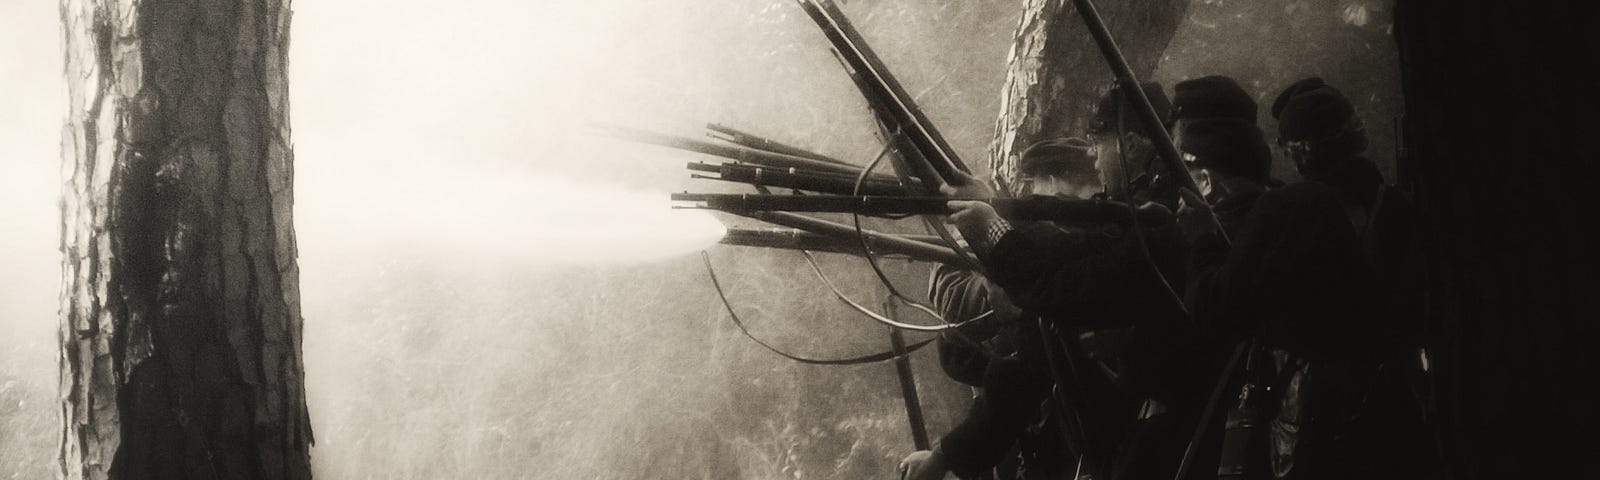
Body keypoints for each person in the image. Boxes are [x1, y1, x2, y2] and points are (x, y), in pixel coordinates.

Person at [917, 82, 1194, 480]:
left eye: (1098, 144)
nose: (1095, 162)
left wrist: (993, 230)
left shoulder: (1156, 219)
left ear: (1131, 145)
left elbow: (1064, 285)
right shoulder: (1144, 212)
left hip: (1167, 436)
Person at [1176, 77, 1434, 480]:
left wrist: (1203, 242)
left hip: (1319, 418)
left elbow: (1217, 306)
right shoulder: (1401, 206)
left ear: (1298, 154)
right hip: (1398, 403)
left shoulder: (1287, 212)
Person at [900, 136, 1117, 480]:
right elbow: (971, 355)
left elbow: (1016, 373)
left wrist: (998, 245)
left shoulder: (1098, 248)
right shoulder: (1062, 252)